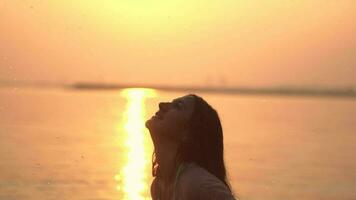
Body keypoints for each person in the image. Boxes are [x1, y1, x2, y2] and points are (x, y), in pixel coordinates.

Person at [145, 94, 236, 200]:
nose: (162, 105)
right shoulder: (158, 187)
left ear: (188, 133)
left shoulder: (198, 185)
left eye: (178, 106)